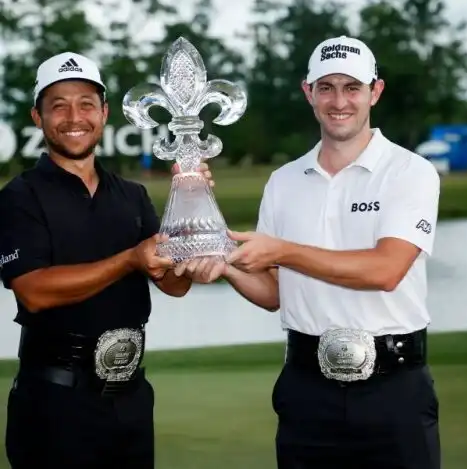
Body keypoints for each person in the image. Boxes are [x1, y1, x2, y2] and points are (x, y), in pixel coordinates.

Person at [174, 36, 441, 469]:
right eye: (327, 87)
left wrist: (281, 250)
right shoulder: (284, 181)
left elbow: (386, 270)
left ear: (375, 91)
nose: (340, 101)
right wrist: (226, 261)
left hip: (394, 391)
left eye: (352, 87)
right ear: (308, 92)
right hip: (306, 390)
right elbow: (276, 291)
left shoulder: (410, 172)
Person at [0, 51, 211, 469]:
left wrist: (190, 210)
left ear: (105, 113)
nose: (73, 116)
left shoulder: (131, 195)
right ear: (37, 117)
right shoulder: (19, 197)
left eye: (86, 104)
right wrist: (130, 259)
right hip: (54, 401)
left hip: (129, 397)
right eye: (57, 105)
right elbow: (34, 290)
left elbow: (175, 283)